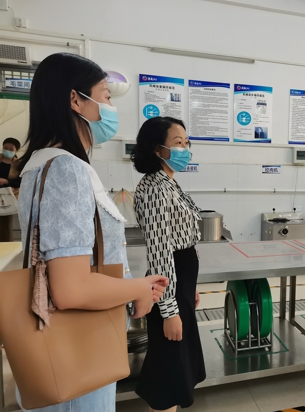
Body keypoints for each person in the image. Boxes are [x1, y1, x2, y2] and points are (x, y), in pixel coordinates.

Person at [14, 52, 169, 412]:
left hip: (66, 349)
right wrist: (139, 287)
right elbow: (71, 288)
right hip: (76, 353)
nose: (111, 107)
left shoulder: (39, 163)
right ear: (75, 99)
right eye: (106, 95)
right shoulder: (66, 169)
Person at [131, 116, 206, 412]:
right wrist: (169, 311)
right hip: (168, 286)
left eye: (186, 142)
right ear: (156, 149)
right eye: (177, 143)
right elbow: (161, 252)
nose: (184, 149)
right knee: (168, 375)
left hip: (179, 282)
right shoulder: (154, 188)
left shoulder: (169, 183)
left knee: (176, 369)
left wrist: (189, 288)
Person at [0, 137, 22, 242]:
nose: (7, 150)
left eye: (11, 149)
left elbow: (20, 182)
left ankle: (6, 245)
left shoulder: (18, 164)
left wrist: (6, 181)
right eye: (5, 148)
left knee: (5, 224)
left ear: (16, 150)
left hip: (8, 196)